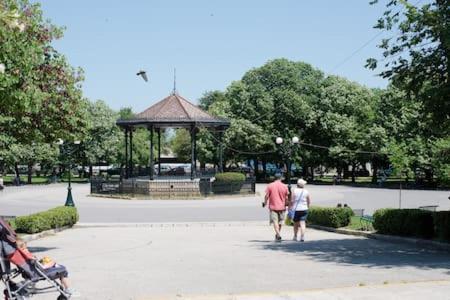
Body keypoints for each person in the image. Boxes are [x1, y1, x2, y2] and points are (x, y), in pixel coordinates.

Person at [263, 172, 289, 242]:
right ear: (281, 178)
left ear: (274, 178)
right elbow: (287, 197)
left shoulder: (270, 186)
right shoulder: (284, 186)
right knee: (280, 222)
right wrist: (287, 204)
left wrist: (265, 203)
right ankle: (278, 234)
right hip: (282, 207)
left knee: (275, 221)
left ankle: (278, 234)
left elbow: (266, 196)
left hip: (273, 206)